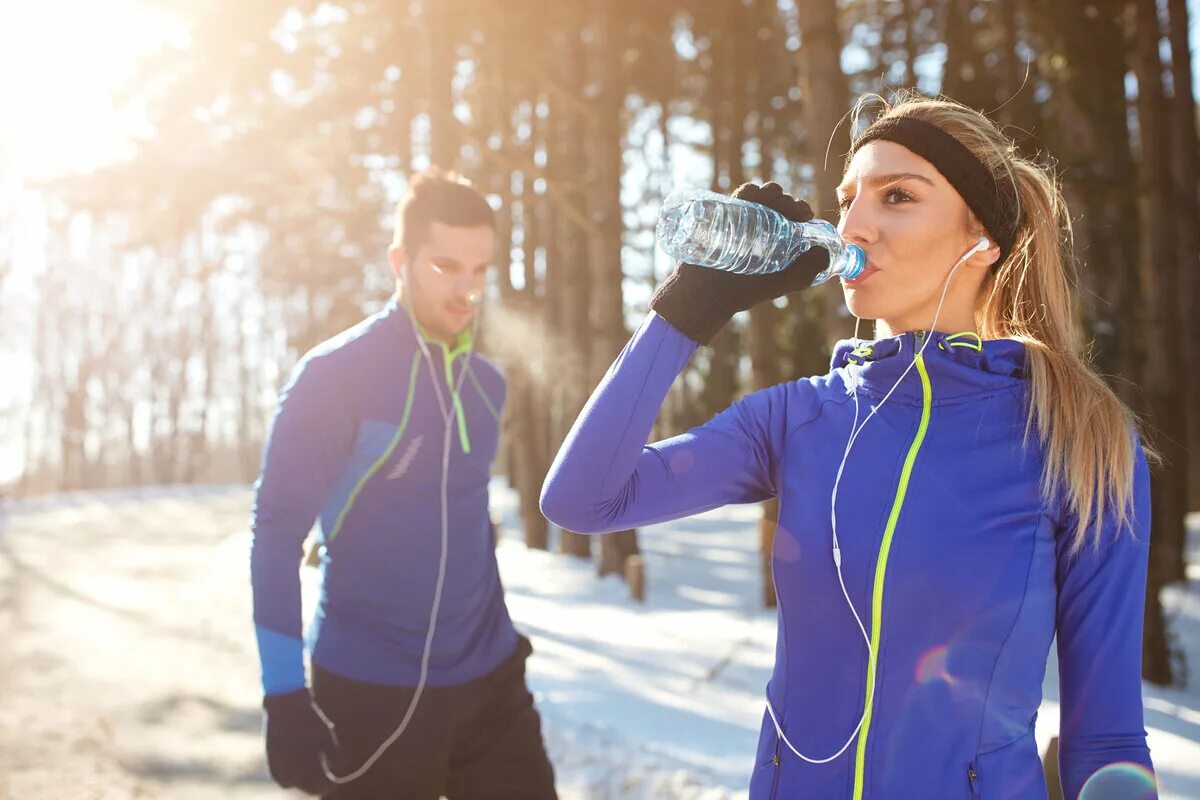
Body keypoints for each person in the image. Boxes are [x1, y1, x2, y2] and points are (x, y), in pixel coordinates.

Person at [540, 94, 1156, 799]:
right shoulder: (799, 417)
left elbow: (1105, 737)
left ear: (980, 238)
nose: (855, 223)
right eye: (848, 198)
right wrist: (688, 309)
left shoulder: (1077, 435)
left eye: (897, 197)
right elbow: (580, 499)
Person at [251, 168, 558, 799]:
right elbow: (276, 537)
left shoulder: (486, 386)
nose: (467, 290)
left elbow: (458, 515)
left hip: (490, 686)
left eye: (480, 270)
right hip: (371, 694)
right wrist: (284, 697)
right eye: (446, 266)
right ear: (401, 260)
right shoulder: (335, 378)